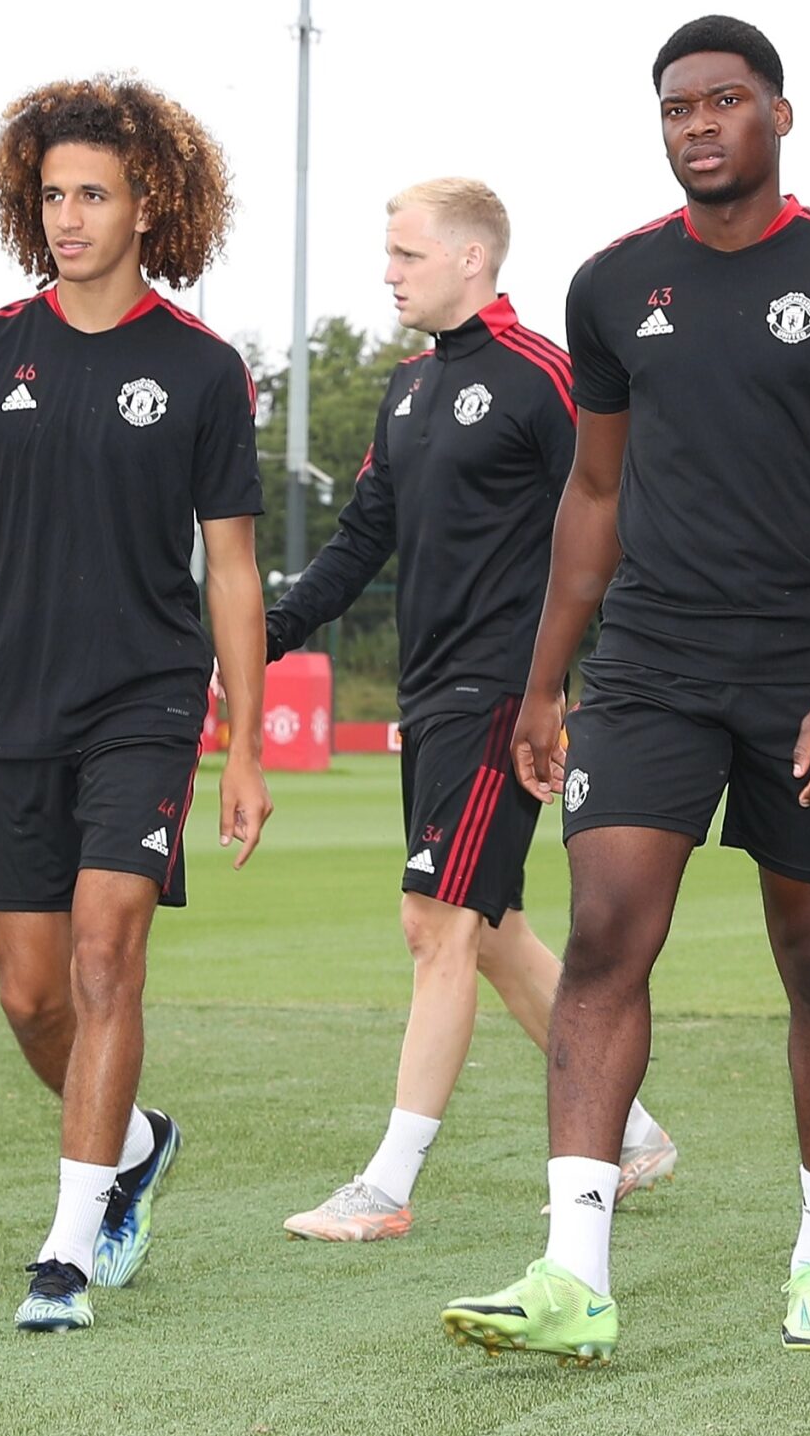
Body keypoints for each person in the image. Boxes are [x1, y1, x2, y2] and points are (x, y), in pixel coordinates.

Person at [441, 15, 810, 1364]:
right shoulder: (613, 287)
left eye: (725, 102)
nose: (699, 126)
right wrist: (543, 685)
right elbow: (593, 493)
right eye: (677, 109)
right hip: (650, 665)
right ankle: (572, 1274)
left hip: (805, 672)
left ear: (779, 115)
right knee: (605, 931)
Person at [0, 75, 270, 1334]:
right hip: (16, 708)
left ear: (149, 203)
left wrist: (246, 745)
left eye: (92, 193)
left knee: (108, 960)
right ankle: (136, 1144)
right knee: (31, 996)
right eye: (51, 195)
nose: (68, 216)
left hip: (147, 706)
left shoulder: (205, 371)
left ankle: (64, 1246)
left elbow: (234, 566)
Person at [266, 179, 676, 1245]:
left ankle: (389, 1184)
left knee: (434, 923)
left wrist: (575, 675)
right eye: (389, 253)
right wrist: (255, 636)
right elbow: (361, 541)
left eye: (404, 254)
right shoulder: (405, 391)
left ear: (469, 261)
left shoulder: (546, 376)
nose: (388, 271)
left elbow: (614, 520)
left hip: (503, 694)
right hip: (427, 693)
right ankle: (629, 1129)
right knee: (489, 931)